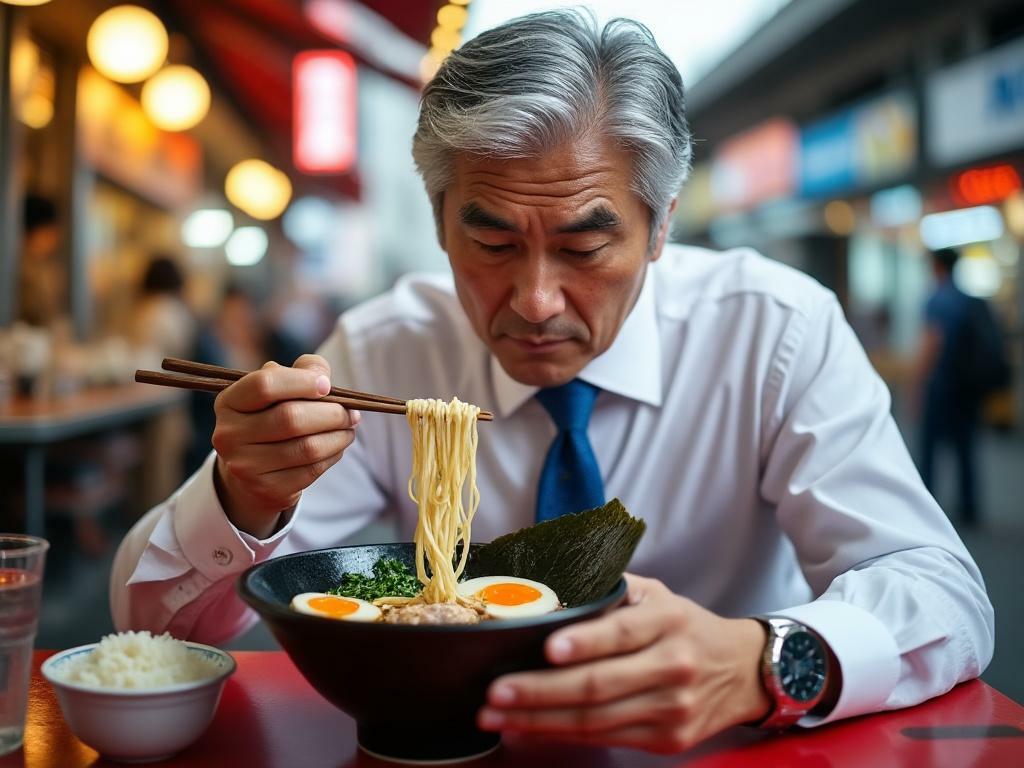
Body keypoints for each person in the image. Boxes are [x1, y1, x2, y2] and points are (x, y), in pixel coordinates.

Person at [111, 12, 992, 755]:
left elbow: (943, 594)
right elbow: (153, 628)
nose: (534, 302)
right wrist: (244, 496)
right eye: (492, 242)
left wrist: (765, 659)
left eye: (583, 246)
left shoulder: (775, 333)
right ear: (440, 223)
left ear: (660, 228)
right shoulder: (383, 352)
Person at [915, 248, 1008, 526]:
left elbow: (933, 344)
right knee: (966, 447)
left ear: (936, 267)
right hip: (967, 387)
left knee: (929, 449)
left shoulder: (937, 299)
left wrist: (916, 384)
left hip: (941, 387)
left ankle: (925, 510)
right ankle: (969, 508)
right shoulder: (969, 300)